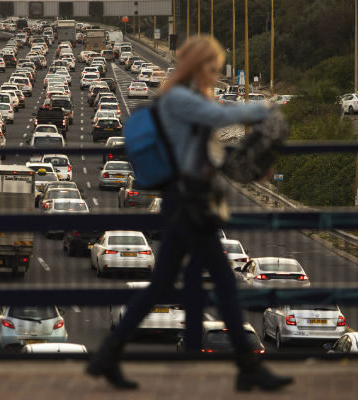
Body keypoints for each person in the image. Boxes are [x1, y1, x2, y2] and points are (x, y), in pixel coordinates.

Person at [86, 36, 293, 392]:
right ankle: (247, 367)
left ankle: (109, 353)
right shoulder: (179, 99)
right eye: (212, 68)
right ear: (198, 65)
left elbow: (207, 149)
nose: (216, 74)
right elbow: (219, 117)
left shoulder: (187, 99)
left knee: (163, 286)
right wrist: (265, 108)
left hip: (188, 202)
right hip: (186, 203)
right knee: (224, 284)